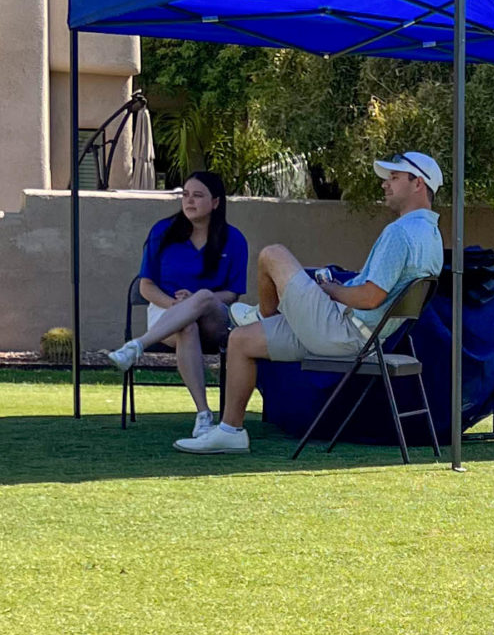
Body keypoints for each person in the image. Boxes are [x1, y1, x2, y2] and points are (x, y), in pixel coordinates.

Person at [175, 150, 444, 456]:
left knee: (272, 255)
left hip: (344, 331)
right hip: (363, 337)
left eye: (394, 178)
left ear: (418, 183)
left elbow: (370, 297)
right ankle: (230, 432)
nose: (385, 184)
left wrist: (331, 290)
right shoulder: (432, 236)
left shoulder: (401, 232)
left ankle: (263, 315)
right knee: (240, 340)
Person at [105, 170, 249, 437]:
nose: (189, 201)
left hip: (214, 317)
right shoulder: (163, 232)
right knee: (186, 326)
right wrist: (175, 305)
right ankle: (203, 415)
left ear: (215, 202)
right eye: (185, 194)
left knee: (203, 296)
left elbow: (232, 293)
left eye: (198, 195)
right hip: (167, 312)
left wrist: (194, 301)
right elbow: (146, 286)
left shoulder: (234, 239)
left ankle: (137, 346)